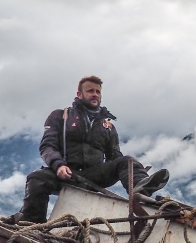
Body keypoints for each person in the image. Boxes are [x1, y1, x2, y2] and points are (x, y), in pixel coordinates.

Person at [12, 75, 169, 223]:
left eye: (98, 92)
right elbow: (47, 146)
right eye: (90, 91)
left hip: (93, 175)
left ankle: (140, 187)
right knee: (37, 178)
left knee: (126, 161)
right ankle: (32, 223)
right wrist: (58, 165)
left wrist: (125, 170)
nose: (95, 94)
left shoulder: (108, 127)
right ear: (79, 94)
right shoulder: (61, 115)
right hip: (66, 172)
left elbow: (114, 156)